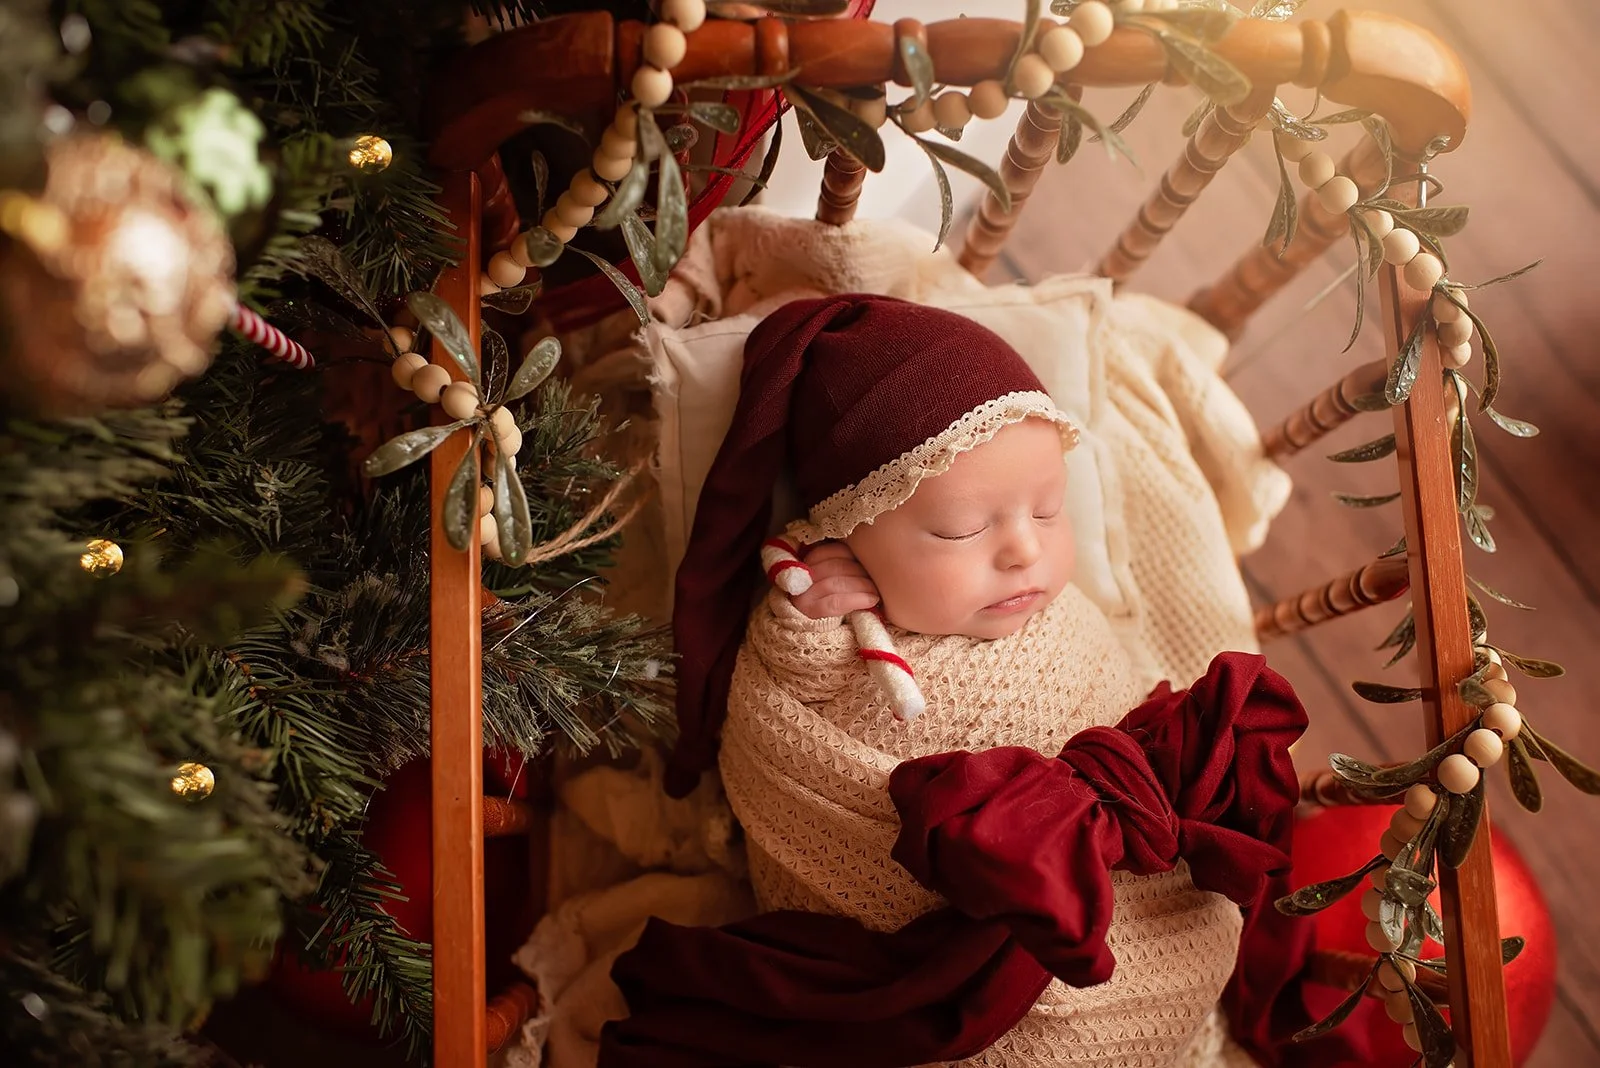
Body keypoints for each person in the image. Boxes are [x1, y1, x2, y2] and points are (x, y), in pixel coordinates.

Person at [597, 295, 1361, 1068]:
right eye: (964, 528)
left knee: (1191, 934)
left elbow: (1124, 708)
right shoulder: (819, 635)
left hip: (1141, 899)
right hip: (961, 960)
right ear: (847, 528)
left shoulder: (1061, 618)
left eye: (1051, 511)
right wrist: (805, 617)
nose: (1024, 553)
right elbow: (778, 741)